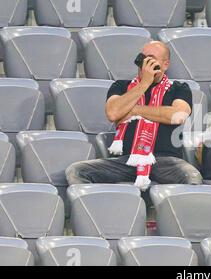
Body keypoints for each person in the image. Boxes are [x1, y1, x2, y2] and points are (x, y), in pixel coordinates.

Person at [65, 41, 203, 189]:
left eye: (151, 58)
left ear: (165, 64)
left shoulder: (179, 88)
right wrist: (144, 83)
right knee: (76, 171)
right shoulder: (121, 86)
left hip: (165, 161)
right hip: (125, 160)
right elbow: (113, 113)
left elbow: (178, 115)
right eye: (143, 58)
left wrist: (134, 110)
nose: (145, 63)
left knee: (192, 176)